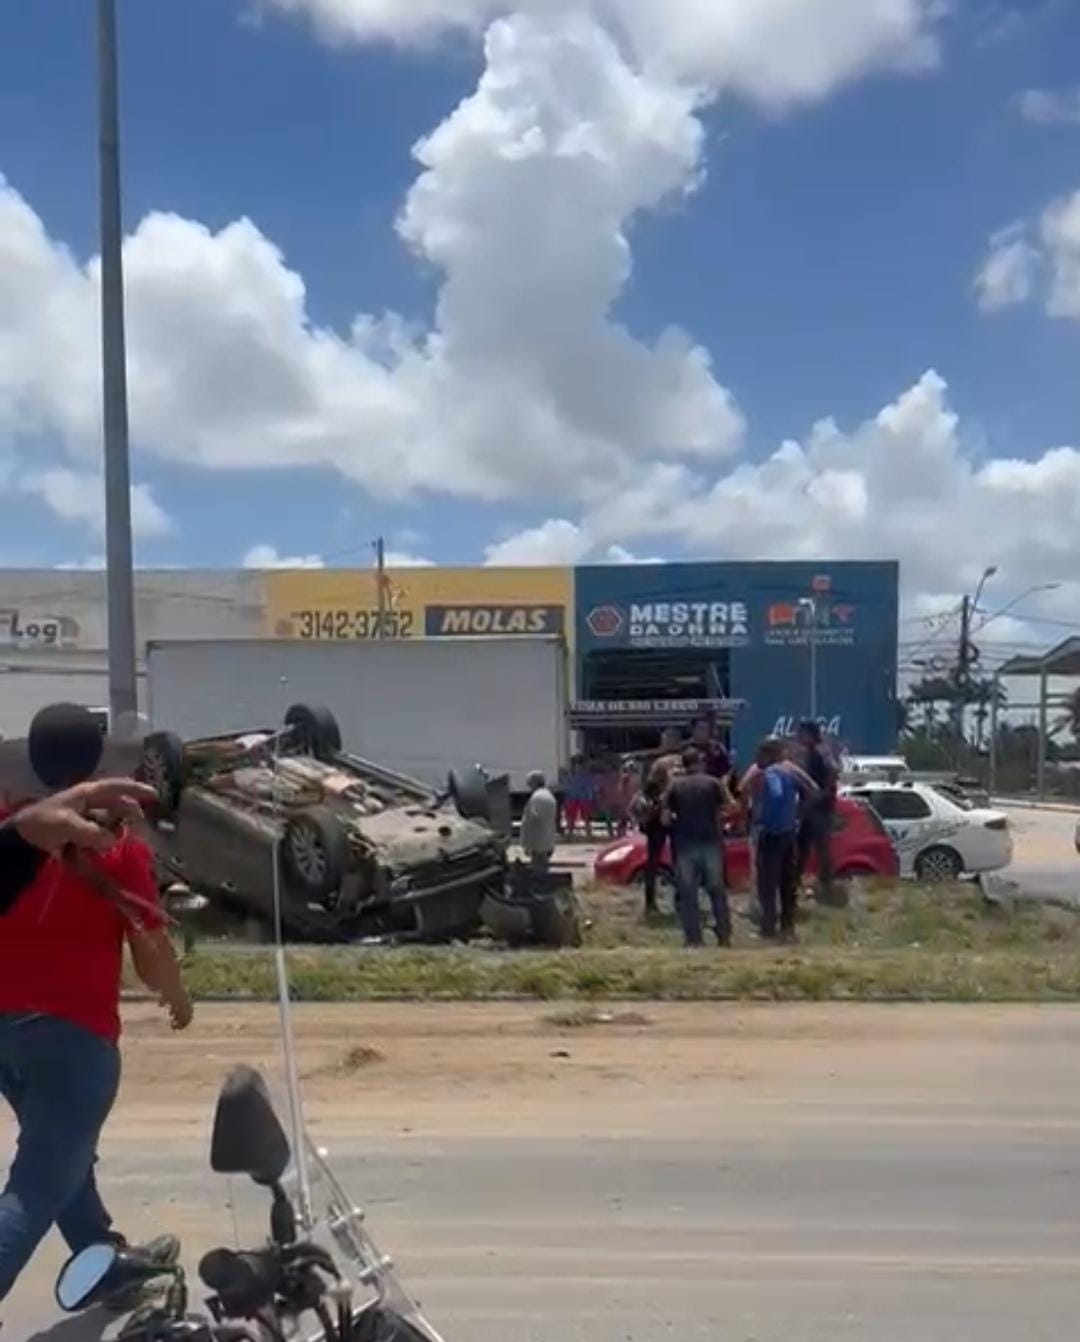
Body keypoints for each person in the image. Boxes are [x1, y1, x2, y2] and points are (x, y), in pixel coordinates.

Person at [0, 704, 193, 1307]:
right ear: (97, 758)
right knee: (37, 1183)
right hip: (73, 1037)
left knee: (60, 1150)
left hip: (5, 1035)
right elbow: (149, 948)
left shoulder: (17, 830)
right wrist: (176, 995)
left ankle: (99, 1257)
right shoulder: (115, 847)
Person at [743, 737, 818, 942]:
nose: (757, 758)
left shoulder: (771, 772)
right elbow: (812, 789)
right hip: (788, 833)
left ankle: (768, 928)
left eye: (760, 753)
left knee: (767, 884)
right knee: (787, 883)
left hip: (771, 833)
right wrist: (798, 812)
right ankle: (788, 927)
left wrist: (764, 809)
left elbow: (775, 793)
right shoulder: (791, 771)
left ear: (769, 754)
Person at [663, 747, 733, 947]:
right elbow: (731, 807)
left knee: (688, 893)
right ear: (700, 763)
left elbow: (665, 819)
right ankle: (724, 935)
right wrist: (718, 818)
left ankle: (694, 939)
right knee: (716, 890)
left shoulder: (674, 786)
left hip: (685, 845)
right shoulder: (713, 783)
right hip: (710, 842)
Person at [634, 729, 684, 915]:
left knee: (654, 860)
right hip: (678, 814)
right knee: (679, 860)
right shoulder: (684, 760)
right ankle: (679, 900)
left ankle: (651, 903)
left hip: (660, 814)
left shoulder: (659, 763)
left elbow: (647, 788)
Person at [794, 719, 839, 904]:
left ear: (811, 734)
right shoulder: (811, 752)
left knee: (820, 847)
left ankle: (826, 884)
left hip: (819, 807)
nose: (799, 737)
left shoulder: (821, 750)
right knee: (801, 845)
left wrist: (822, 793)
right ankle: (794, 882)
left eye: (802, 733)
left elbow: (833, 771)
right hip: (809, 806)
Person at [520, 770, 558, 872]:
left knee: (538, 870)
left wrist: (526, 843)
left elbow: (532, 821)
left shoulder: (536, 798)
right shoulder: (549, 796)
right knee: (544, 868)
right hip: (548, 840)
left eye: (530, 784)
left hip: (537, 843)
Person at [563, 755, 595, 840]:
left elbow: (589, 787)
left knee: (585, 818)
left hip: (582, 797)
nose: (578, 767)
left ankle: (588, 834)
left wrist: (590, 797)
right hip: (573, 797)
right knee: (571, 818)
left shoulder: (585, 776)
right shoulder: (571, 775)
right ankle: (570, 834)